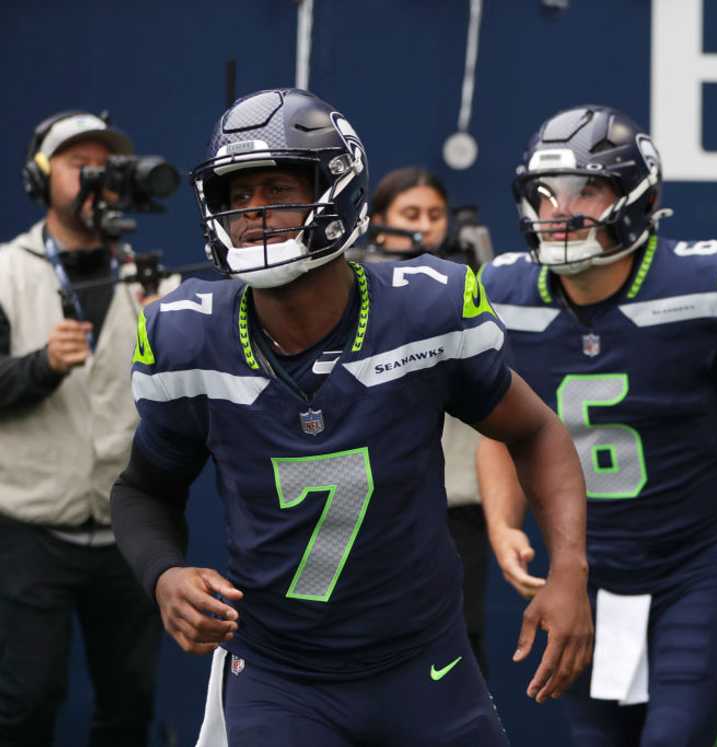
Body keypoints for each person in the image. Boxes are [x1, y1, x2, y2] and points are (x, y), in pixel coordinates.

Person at [109, 88, 593, 746]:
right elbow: (143, 488)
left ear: (335, 192)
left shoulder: (425, 309)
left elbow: (534, 430)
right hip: (281, 675)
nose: (254, 213)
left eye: (276, 187)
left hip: (424, 661)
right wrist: (164, 572)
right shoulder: (188, 336)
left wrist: (569, 570)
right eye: (237, 196)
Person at [478, 105, 717, 746]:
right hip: (583, 573)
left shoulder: (701, 287)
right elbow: (501, 427)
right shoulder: (508, 292)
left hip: (694, 566)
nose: (560, 211)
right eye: (546, 194)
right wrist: (502, 522)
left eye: (585, 190)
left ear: (636, 197)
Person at [0, 110, 173, 746]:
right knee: (25, 704)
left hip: (130, 531)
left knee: (130, 707)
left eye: (108, 166)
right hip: (28, 531)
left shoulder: (152, 280)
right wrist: (40, 366)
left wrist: (175, 336)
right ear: (39, 178)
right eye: (80, 164)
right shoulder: (4, 272)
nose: (97, 178)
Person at [367, 165, 495, 677]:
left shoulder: (467, 287)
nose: (424, 227)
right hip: (375, 502)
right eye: (410, 215)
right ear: (377, 222)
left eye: (435, 216)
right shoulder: (344, 290)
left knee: (461, 646)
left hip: (455, 502)